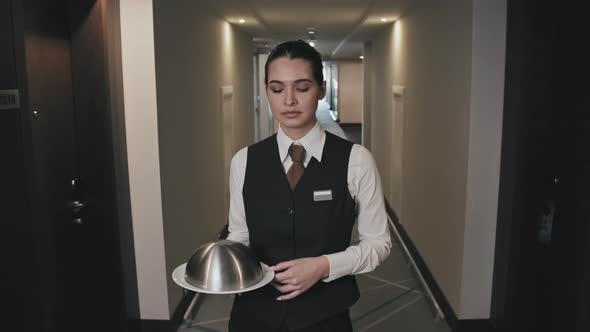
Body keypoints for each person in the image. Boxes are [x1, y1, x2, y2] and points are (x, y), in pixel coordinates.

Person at [227, 40, 391, 332]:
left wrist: (324, 266)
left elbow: (378, 244)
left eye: (302, 88)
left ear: (322, 89)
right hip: (254, 315)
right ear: (267, 91)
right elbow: (239, 235)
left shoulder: (356, 160)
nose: (289, 100)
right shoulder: (244, 161)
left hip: (325, 317)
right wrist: (241, 267)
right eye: (277, 89)